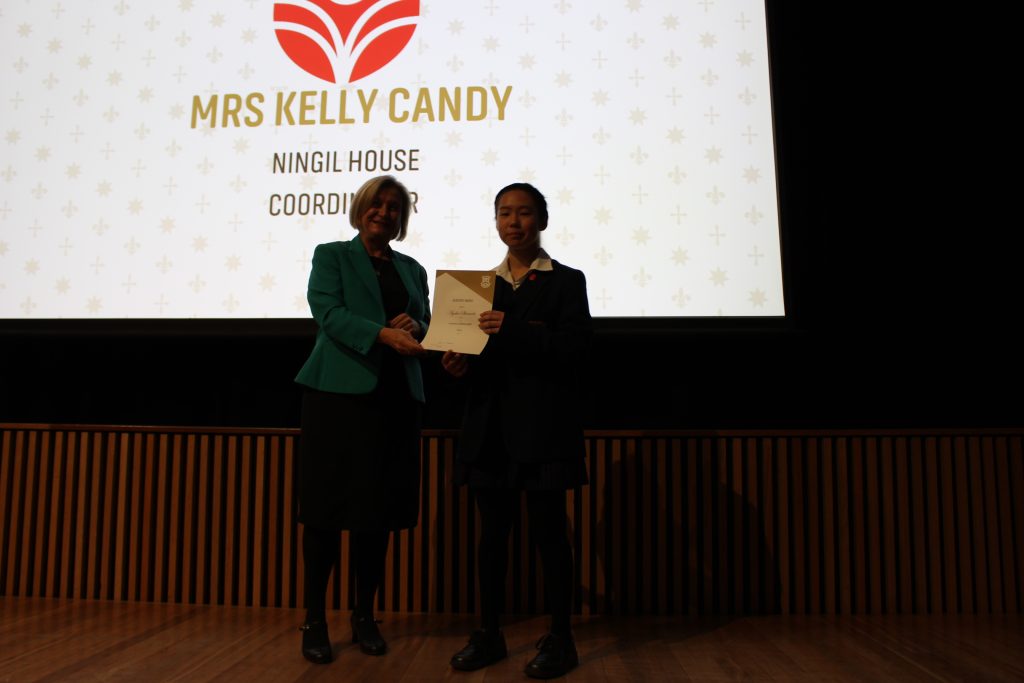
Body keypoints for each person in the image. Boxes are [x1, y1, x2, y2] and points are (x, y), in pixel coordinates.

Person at [442, 182, 592, 679]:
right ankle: (489, 633)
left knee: (550, 535)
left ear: (542, 220)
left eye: (524, 212)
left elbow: (575, 349)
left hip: (544, 429)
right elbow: (475, 357)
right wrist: (458, 366)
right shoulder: (476, 288)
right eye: (505, 213)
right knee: (491, 538)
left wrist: (515, 330)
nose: (514, 221)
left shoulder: (567, 281)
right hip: (490, 430)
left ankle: (561, 638)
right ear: (496, 222)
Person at [294, 175, 429, 664]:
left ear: (402, 218)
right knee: (325, 512)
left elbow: (427, 321)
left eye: (394, 207)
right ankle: (314, 619)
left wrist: (416, 325)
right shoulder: (331, 255)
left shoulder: (412, 268)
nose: (384, 213)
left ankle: (364, 615)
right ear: (361, 208)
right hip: (336, 399)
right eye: (377, 204)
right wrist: (382, 334)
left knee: (377, 514)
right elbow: (327, 312)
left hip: (395, 401)